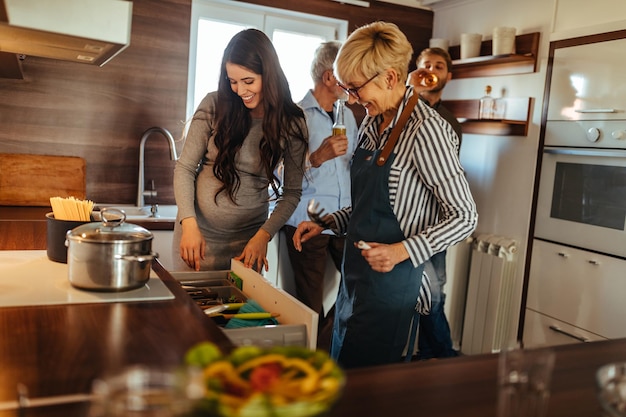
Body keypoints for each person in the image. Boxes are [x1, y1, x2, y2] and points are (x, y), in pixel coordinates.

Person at [292, 21, 478, 369]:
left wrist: (400, 251)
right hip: (355, 282)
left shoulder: (427, 132)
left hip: (392, 290)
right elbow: (365, 207)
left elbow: (465, 218)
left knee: (369, 394)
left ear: (390, 78)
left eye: (356, 88)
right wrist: (329, 223)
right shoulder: (371, 121)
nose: (350, 98)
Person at [172, 28, 308, 273]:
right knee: (189, 309)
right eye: (232, 81)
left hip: (248, 243)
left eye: (248, 81)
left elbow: (292, 193)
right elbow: (184, 168)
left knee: (237, 312)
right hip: (197, 236)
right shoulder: (214, 105)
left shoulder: (292, 122)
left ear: (269, 75)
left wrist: (263, 235)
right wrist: (188, 223)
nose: (240, 90)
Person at [282, 41, 358, 352]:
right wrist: (317, 157)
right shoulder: (295, 116)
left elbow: (353, 167)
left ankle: (326, 350)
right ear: (329, 77)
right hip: (306, 220)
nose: (350, 84)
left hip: (343, 220)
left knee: (357, 291)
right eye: (345, 76)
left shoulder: (350, 117)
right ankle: (312, 369)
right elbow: (278, 173)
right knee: (309, 305)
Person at [409, 47, 464, 359]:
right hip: (406, 219)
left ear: (448, 76)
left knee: (435, 293)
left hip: (436, 223)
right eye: (425, 65)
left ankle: (437, 357)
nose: (431, 70)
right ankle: (444, 357)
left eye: (438, 66)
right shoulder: (401, 109)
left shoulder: (449, 123)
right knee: (425, 294)